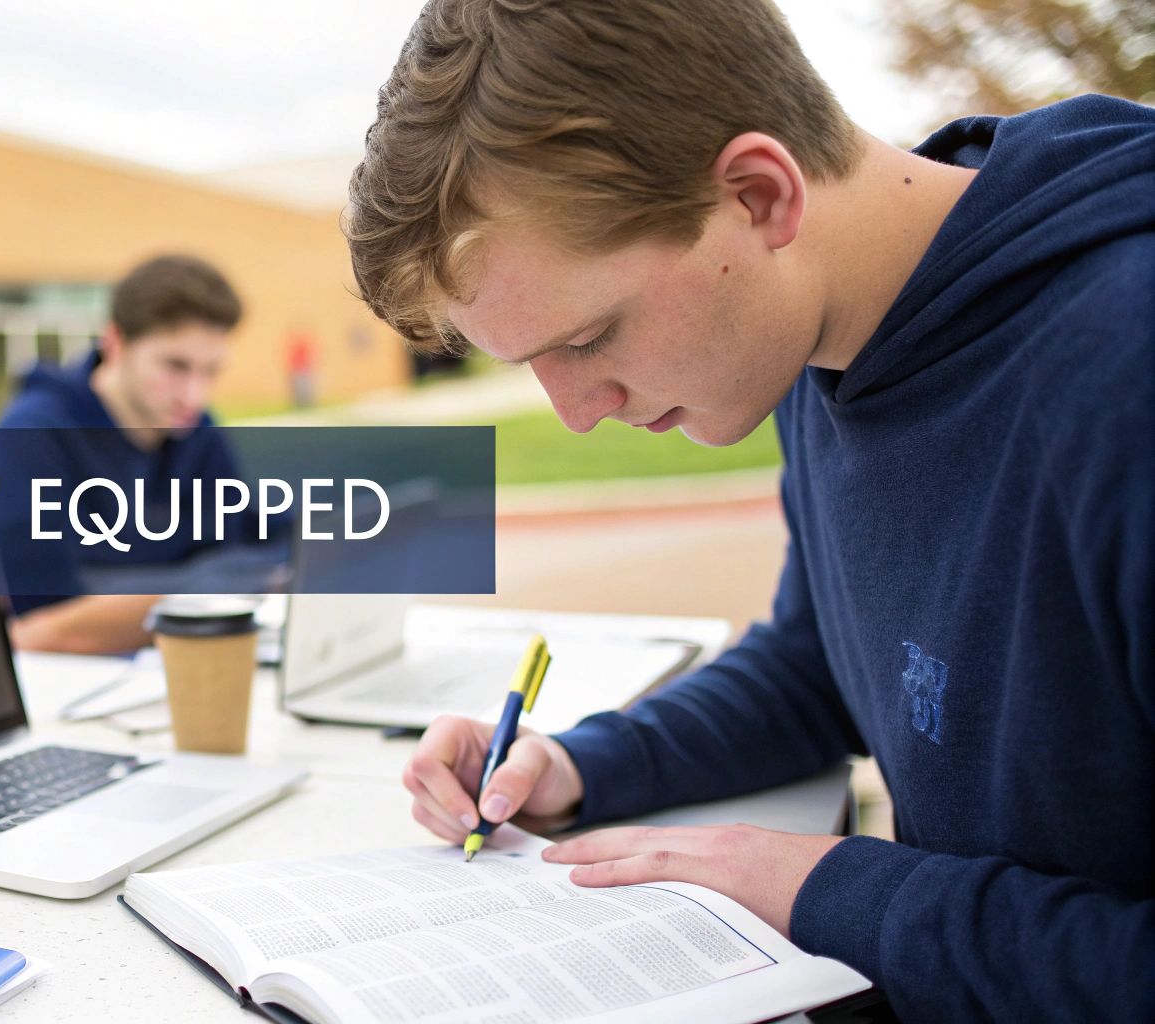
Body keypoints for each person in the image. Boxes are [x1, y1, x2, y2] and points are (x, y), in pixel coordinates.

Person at [348, 1, 1151, 1020]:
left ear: (757, 194)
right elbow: (815, 666)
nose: (577, 413)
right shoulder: (821, 339)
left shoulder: (1124, 366)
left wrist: (837, 890)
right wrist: (573, 764)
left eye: (590, 336)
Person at [0, 254, 257, 654]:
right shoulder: (31, 435)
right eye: (175, 366)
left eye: (211, 371)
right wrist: (207, 586)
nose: (194, 395)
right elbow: (42, 624)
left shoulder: (197, 431)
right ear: (115, 343)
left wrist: (118, 604)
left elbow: (256, 548)